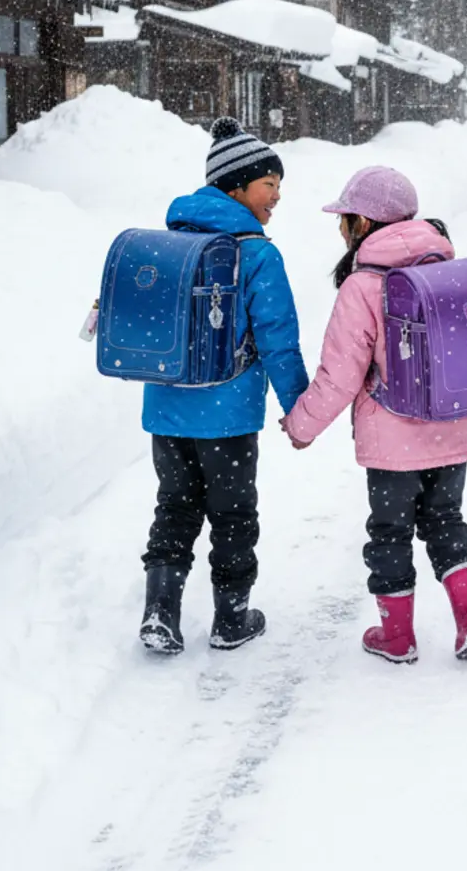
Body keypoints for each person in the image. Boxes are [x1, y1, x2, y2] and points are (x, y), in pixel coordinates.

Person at [283, 166, 467, 664]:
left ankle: (398, 637)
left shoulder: (363, 286)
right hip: (452, 424)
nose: (340, 228)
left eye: (345, 218)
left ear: (364, 223)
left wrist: (301, 426)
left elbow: (340, 375)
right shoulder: (446, 267)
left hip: (392, 439)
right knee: (446, 521)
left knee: (391, 532)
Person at [139, 118, 310, 655]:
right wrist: (300, 407)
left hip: (167, 409)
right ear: (236, 186)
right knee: (233, 515)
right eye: (269, 185)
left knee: (175, 506)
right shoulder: (256, 253)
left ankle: (160, 613)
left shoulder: (169, 242)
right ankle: (231, 619)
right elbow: (279, 338)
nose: (277, 196)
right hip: (229, 417)